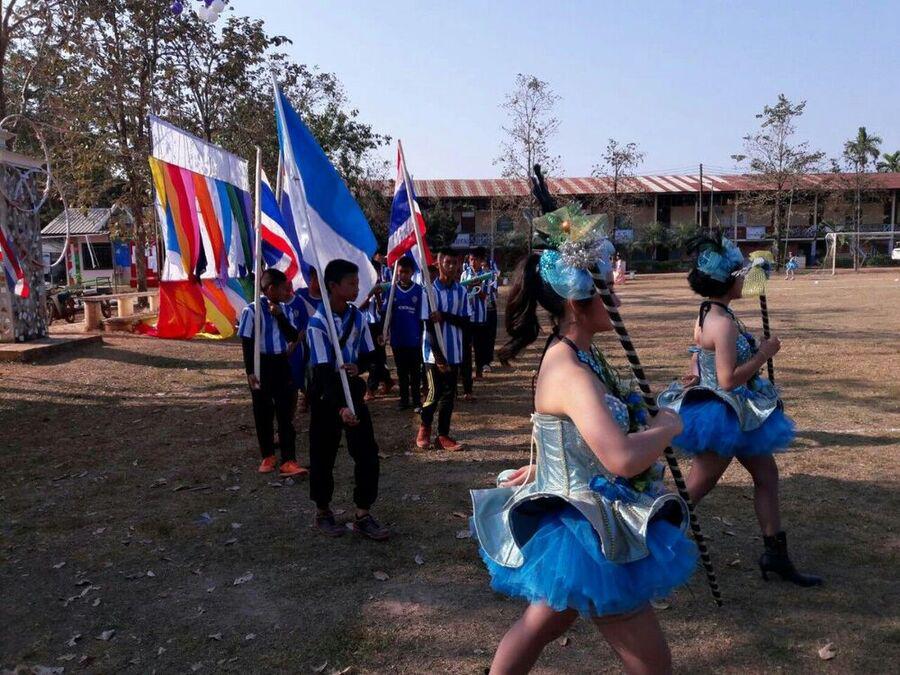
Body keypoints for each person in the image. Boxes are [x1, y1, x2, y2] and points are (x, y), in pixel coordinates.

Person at [471, 205, 696, 674]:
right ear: (577, 303)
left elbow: (578, 436)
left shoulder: (585, 356)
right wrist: (668, 427)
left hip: (589, 514)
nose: (616, 299)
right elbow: (621, 458)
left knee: (543, 622)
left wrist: (550, 463)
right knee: (653, 665)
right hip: (589, 532)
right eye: (606, 291)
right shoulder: (570, 370)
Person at [658, 233, 821, 587]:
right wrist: (763, 354)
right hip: (724, 414)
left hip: (740, 415)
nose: (745, 281)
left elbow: (699, 351)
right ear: (727, 281)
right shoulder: (724, 323)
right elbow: (729, 380)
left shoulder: (710, 313)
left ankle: (775, 555)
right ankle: (647, 540)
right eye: (741, 275)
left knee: (767, 476)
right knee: (696, 488)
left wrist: (695, 369)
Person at [306, 259, 389, 541]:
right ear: (333, 286)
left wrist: (359, 366)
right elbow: (322, 372)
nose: (356, 288)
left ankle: (363, 514)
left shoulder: (358, 318)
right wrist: (340, 407)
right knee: (323, 454)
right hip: (326, 395)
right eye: (351, 283)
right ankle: (323, 511)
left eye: (357, 283)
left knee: (366, 453)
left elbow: (369, 356)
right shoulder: (317, 324)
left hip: (352, 390)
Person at [237, 268, 306, 478]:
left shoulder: (284, 310)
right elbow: (247, 341)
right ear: (271, 289)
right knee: (263, 412)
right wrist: (250, 371)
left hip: (281, 363)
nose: (287, 292)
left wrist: (280, 316)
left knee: (285, 413)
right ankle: (267, 455)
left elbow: (293, 335)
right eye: (283, 289)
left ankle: (289, 459)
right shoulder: (251, 311)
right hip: (261, 364)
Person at [416, 249, 468, 451]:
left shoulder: (461, 292)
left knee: (449, 394)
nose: (452, 267)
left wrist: (444, 316)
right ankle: (425, 427)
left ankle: (443, 435)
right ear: (439, 264)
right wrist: (438, 357)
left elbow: (466, 321)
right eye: (448, 262)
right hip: (433, 354)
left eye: (455, 263)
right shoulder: (429, 292)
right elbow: (428, 326)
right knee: (433, 392)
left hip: (454, 351)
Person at [382, 255, 424, 410]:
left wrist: (421, 335)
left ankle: (417, 401)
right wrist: (384, 331)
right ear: (396, 272)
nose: (403, 275)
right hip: (398, 338)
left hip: (414, 338)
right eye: (400, 272)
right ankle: (404, 400)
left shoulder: (418, 291)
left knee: (415, 372)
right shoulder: (392, 290)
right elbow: (385, 313)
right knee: (401, 371)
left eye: (407, 272)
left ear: (412, 272)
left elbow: (422, 315)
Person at [287, 268, 324, 414]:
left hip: (319, 342)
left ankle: (309, 396)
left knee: (313, 369)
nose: (317, 283)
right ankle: (304, 395)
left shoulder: (328, 299)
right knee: (301, 369)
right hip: (301, 341)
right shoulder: (300, 295)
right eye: (315, 279)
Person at [462, 247, 493, 383]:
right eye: (471, 259)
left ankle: (479, 371)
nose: (473, 262)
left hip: (480, 318)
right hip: (467, 316)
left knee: (479, 347)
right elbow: (461, 294)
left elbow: (485, 296)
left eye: (475, 260)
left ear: (481, 261)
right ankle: (466, 372)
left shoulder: (486, 275)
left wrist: (478, 286)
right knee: (466, 346)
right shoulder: (464, 275)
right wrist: (468, 287)